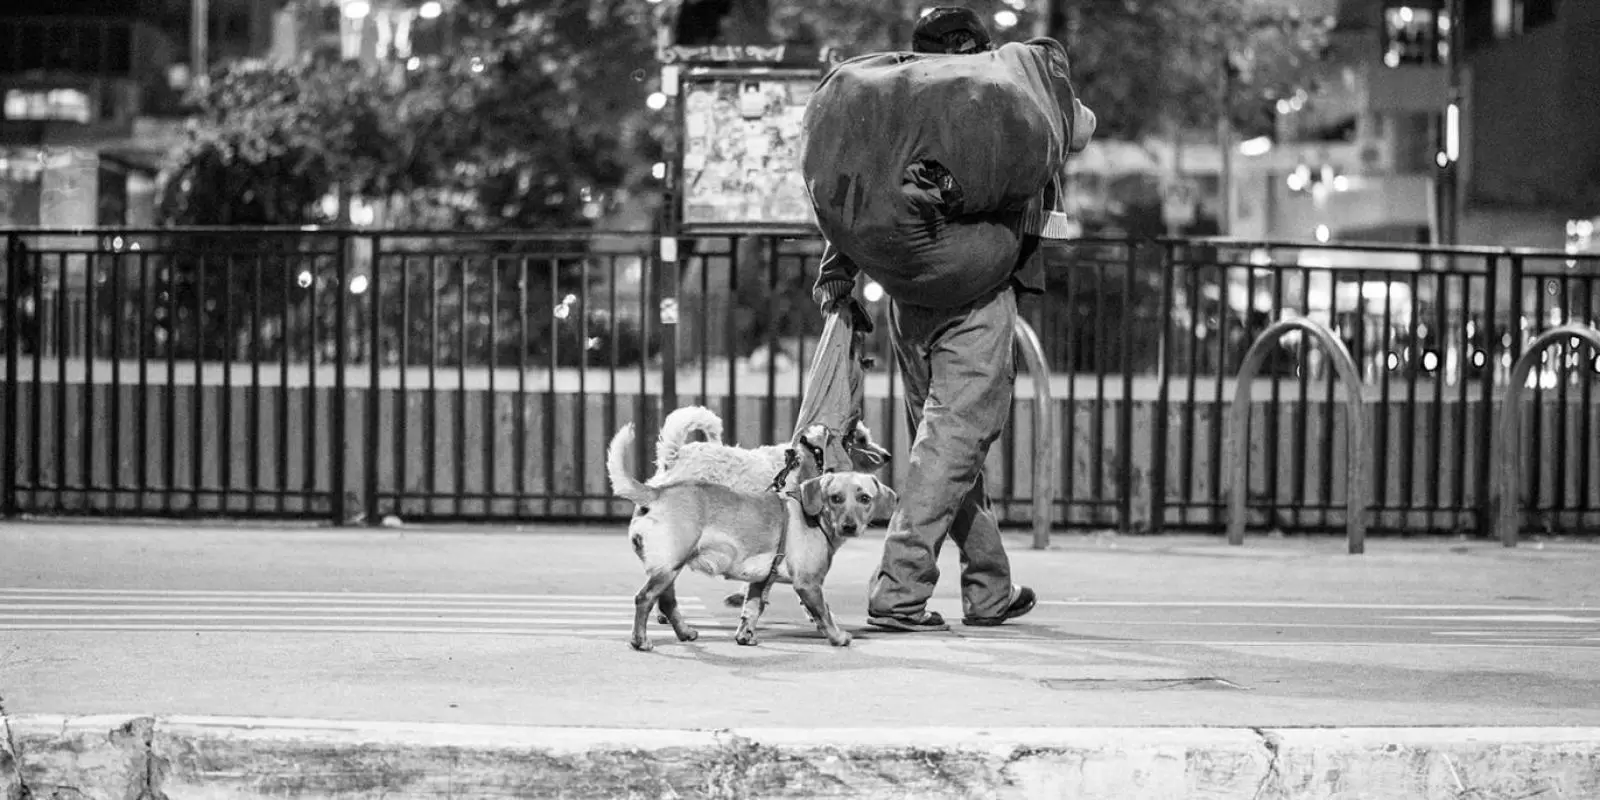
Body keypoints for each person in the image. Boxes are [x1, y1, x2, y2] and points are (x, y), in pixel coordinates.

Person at [811, 6, 1094, 632]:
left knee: (946, 451)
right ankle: (900, 593)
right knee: (950, 449)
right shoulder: (987, 100)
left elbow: (864, 193)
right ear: (978, 48)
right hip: (978, 300)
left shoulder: (899, 105)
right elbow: (1076, 128)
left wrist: (838, 269)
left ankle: (990, 588)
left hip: (909, 304)